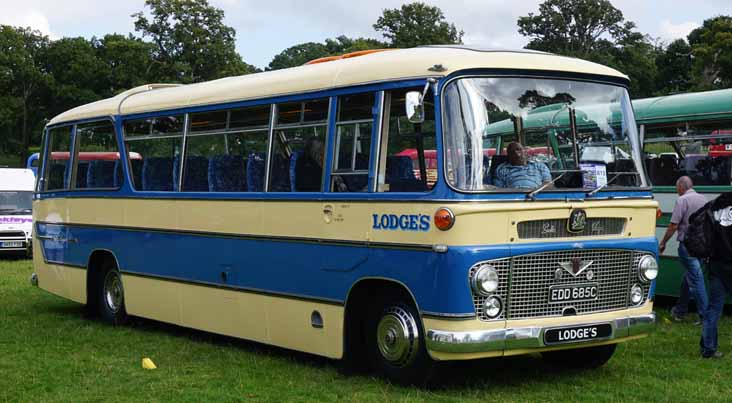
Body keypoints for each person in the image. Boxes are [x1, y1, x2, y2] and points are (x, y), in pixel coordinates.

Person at [659, 176, 708, 325]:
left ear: (681, 186)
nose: (676, 190)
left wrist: (663, 242)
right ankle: (680, 311)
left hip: (687, 246)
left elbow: (673, 225)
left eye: (676, 187)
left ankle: (705, 316)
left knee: (696, 279)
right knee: (690, 277)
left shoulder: (682, 200)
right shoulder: (703, 199)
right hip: (702, 245)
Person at [700, 192, 732, 358]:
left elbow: (695, 220)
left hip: (717, 265)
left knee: (714, 309)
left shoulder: (716, 205)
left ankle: (708, 348)